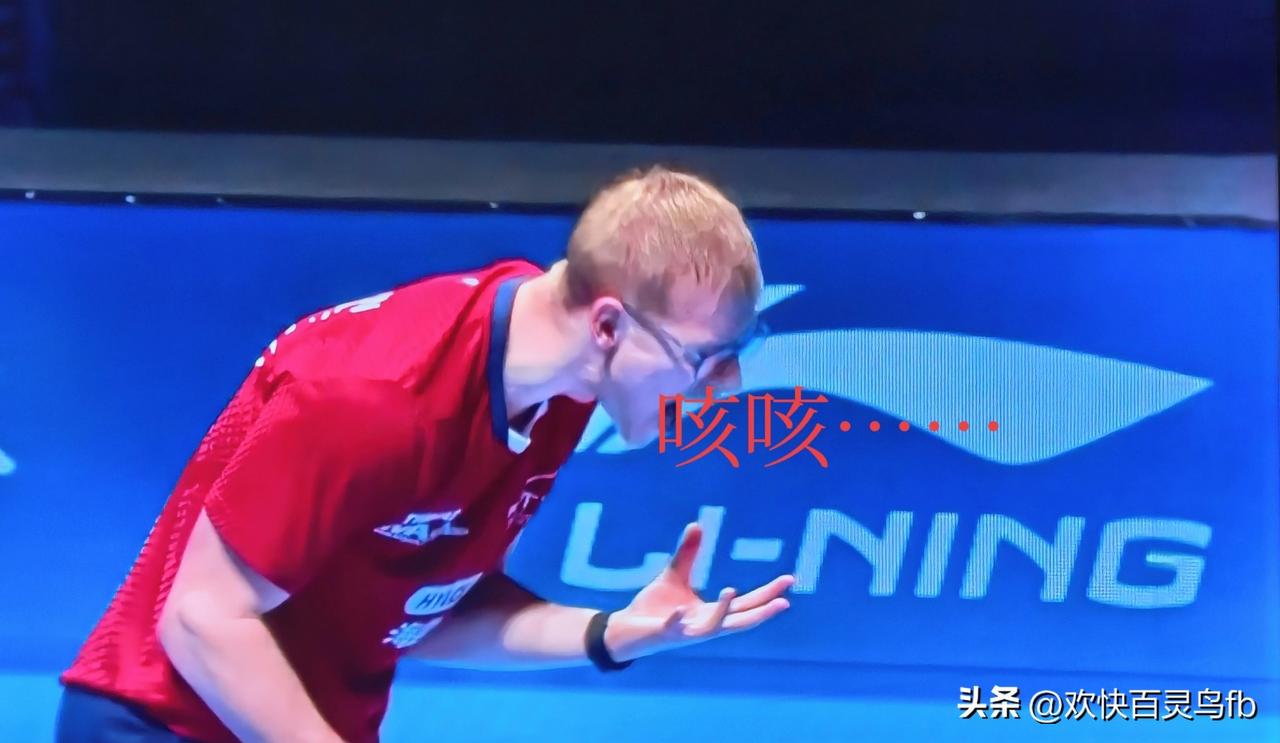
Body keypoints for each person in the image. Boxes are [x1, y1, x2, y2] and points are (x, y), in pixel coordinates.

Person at [55, 165, 794, 743]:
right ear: (606, 327)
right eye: (705, 357)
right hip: (159, 722)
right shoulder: (370, 398)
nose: (724, 384)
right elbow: (201, 619)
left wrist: (609, 633)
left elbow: (418, 607)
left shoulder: (559, 386)